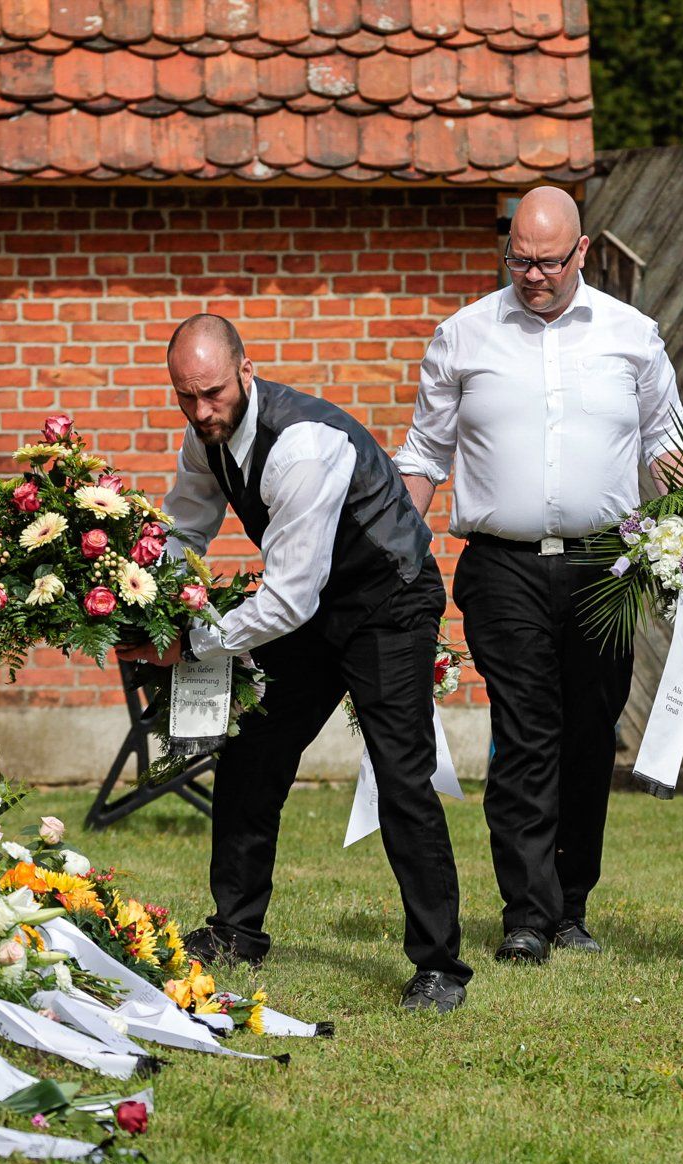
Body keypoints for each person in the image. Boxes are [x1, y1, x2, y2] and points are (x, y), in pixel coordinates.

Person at [115, 314, 472, 1012]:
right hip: (311, 605)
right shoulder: (205, 437)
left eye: (213, 392)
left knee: (402, 773)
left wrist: (187, 644)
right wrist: (137, 597)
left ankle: (440, 966)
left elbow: (287, 599)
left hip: (385, 601)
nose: (202, 410)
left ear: (246, 371)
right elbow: (184, 528)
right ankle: (235, 928)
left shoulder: (300, 447)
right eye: (186, 396)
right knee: (253, 750)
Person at [393, 186, 683, 964]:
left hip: (604, 566)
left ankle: (571, 905)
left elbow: (666, 443)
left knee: (591, 735)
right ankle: (525, 911)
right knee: (526, 732)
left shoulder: (634, 337)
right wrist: (388, 540)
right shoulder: (464, 337)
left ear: (582, 253)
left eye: (550, 261)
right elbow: (424, 455)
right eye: (519, 259)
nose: (533, 275)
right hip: (503, 567)